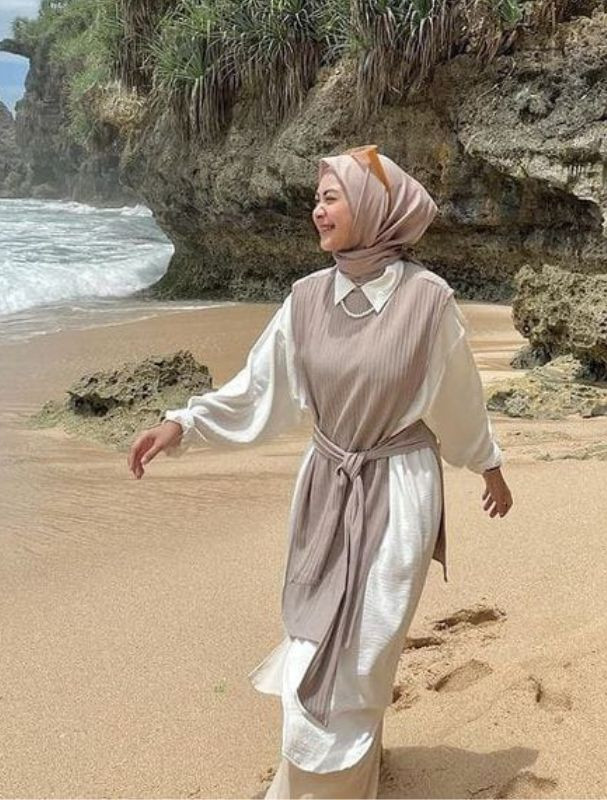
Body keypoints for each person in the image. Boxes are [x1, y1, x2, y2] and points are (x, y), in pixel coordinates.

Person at [127, 144, 513, 799]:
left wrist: (488, 466)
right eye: (317, 199)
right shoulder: (305, 298)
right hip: (325, 488)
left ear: (373, 207)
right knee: (313, 636)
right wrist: (184, 424)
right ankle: (328, 780)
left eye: (331, 197)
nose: (317, 210)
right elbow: (259, 387)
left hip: (399, 491)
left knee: (365, 649)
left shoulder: (428, 301)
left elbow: (459, 400)